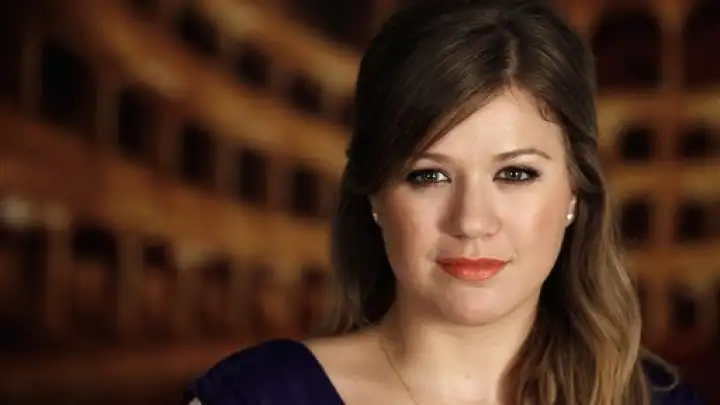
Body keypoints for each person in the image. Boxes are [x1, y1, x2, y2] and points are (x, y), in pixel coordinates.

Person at [185, 0, 706, 404]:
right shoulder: (259, 396)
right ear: (374, 195)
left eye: (516, 174)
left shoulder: (658, 401)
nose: (472, 221)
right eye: (429, 176)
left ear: (574, 190)